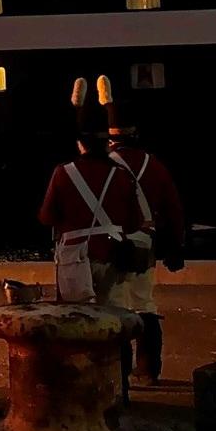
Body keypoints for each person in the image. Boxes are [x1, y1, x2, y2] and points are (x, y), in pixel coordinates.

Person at [102, 77, 186, 386]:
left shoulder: (102, 168)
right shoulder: (155, 164)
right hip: (145, 244)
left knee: (116, 308)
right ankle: (149, 368)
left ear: (110, 139)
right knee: (145, 304)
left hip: (111, 244)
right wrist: (176, 246)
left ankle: (119, 372)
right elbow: (174, 207)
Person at [38, 78, 144, 307]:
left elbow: (46, 217)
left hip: (75, 257)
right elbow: (135, 222)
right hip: (113, 255)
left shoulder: (63, 173)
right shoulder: (122, 175)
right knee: (113, 320)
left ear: (80, 143)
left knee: (78, 320)